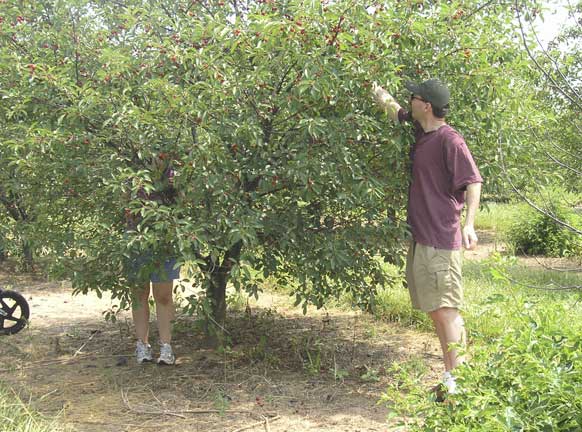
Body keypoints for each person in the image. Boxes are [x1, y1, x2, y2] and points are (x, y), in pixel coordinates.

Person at [372, 78, 482, 400]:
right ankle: (451, 379)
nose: (410, 101)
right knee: (436, 311)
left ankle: (461, 385)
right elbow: (397, 112)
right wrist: (380, 95)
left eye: (414, 97)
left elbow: (473, 182)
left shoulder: (451, 140)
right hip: (423, 238)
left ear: (427, 106)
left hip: (440, 237)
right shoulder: (423, 132)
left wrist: (470, 224)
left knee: (447, 311)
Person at [126, 153, 179, 366]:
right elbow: (125, 204)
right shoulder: (133, 172)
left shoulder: (175, 173)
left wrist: (177, 186)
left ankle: (166, 347)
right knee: (139, 292)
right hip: (135, 238)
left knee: (164, 295)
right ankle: (142, 345)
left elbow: (184, 204)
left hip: (165, 239)